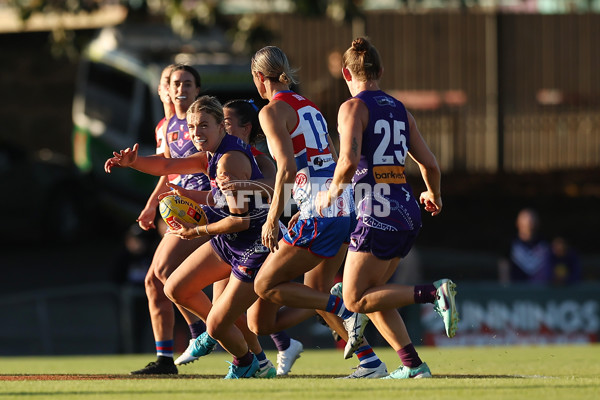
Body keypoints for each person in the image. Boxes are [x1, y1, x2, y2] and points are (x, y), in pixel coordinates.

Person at [316, 37, 458, 379]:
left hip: (376, 210)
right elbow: (431, 166)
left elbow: (348, 163)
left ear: (346, 73)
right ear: (380, 70)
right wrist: (434, 195)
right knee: (371, 295)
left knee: (353, 299)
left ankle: (433, 293)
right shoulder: (400, 109)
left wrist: (330, 195)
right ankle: (413, 366)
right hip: (406, 209)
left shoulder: (352, 108)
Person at [105, 95, 276, 379]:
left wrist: (195, 231)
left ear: (222, 126)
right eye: (193, 127)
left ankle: (243, 358)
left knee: (220, 323)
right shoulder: (211, 154)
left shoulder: (228, 163)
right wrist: (133, 162)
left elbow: (240, 220)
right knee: (175, 288)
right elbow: (168, 167)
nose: (196, 133)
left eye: (204, 126)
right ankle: (244, 356)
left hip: (252, 245)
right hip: (230, 241)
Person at [246, 45, 389, 379]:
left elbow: (286, 166)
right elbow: (329, 160)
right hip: (342, 204)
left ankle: (343, 307)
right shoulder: (308, 106)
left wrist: (274, 217)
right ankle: (370, 361)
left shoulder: (271, 111)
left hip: (321, 210)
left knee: (264, 285)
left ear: (258, 77)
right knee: (269, 317)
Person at [125, 64, 211, 375]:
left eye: (187, 83)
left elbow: (206, 164)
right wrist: (151, 206)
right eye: (175, 83)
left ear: (197, 89)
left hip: (204, 210)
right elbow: (166, 169)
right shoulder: (165, 126)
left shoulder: (201, 120)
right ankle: (166, 359)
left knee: (161, 273)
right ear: (166, 89)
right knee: (155, 280)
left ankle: (204, 329)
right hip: (182, 208)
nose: (180, 88)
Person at [499, 208, 552, 284]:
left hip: (540, 290)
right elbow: (503, 265)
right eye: (525, 218)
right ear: (517, 223)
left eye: (532, 218)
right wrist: (505, 286)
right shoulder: (511, 243)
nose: (529, 222)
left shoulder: (545, 244)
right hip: (516, 290)